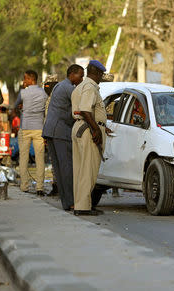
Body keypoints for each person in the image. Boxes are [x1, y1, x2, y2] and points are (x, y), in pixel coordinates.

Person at [43, 65, 84, 210]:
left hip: (51, 130)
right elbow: (79, 110)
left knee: (60, 169)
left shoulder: (60, 86)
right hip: (60, 132)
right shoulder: (69, 89)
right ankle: (71, 202)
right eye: (80, 75)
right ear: (72, 74)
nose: (82, 78)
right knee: (66, 168)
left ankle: (67, 202)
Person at [71, 60, 109, 216]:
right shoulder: (90, 87)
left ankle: (81, 203)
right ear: (98, 73)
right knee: (88, 170)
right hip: (88, 129)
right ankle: (83, 207)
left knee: (80, 170)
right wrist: (97, 130)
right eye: (102, 74)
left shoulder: (80, 86)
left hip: (80, 127)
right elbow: (86, 110)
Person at [15, 70, 48, 196]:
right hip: (39, 128)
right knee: (40, 159)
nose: (24, 81)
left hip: (25, 128)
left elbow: (15, 105)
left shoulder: (23, 92)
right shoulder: (43, 93)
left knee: (23, 158)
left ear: (30, 79)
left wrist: (22, 105)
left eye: (25, 78)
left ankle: (24, 186)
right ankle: (40, 188)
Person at [43, 74, 59, 196]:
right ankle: (56, 185)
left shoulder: (55, 98)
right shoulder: (49, 98)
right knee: (54, 161)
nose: (46, 87)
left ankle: (58, 186)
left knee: (57, 161)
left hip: (56, 134)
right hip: (51, 133)